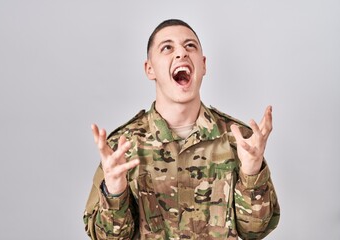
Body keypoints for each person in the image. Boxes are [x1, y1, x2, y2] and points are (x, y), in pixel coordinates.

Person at [83, 19, 280, 240]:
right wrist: (115, 191)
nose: (181, 54)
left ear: (203, 65)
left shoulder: (238, 140)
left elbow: (255, 231)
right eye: (167, 47)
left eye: (190, 46)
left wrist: (252, 172)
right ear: (150, 69)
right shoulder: (122, 147)